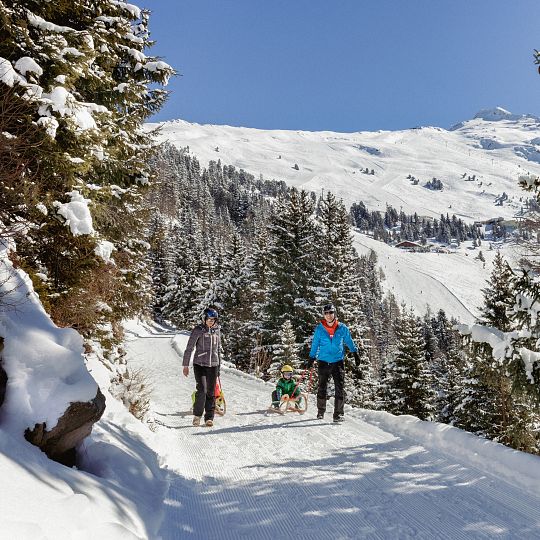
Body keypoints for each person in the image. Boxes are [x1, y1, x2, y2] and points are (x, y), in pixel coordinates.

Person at [307, 303, 360, 423]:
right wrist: (311, 358)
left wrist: (355, 352)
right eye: (326, 313)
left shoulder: (342, 328)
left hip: (338, 362)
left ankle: (338, 414)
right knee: (321, 387)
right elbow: (315, 344)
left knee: (339, 388)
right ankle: (321, 411)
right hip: (323, 361)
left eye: (330, 313)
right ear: (324, 315)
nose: (328, 315)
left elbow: (349, 341)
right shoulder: (320, 329)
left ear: (335, 313)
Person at [183, 307, 221, 427]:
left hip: (213, 365)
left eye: (213, 319)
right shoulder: (198, 330)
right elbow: (189, 348)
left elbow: (218, 349)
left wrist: (218, 367)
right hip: (199, 364)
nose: (211, 321)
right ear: (204, 319)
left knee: (211, 391)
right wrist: (185, 365)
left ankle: (209, 417)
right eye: (209, 319)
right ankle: (197, 416)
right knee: (202, 390)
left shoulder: (217, 331)